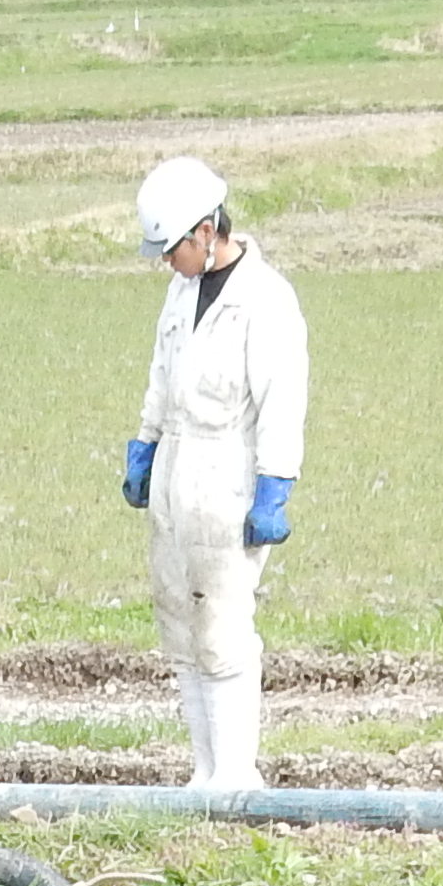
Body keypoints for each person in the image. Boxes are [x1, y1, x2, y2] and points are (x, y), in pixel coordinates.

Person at [124, 157, 310, 797]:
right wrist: (145, 444)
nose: (167, 261)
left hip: (226, 470)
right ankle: (203, 772)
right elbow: (161, 375)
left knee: (222, 627)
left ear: (207, 231)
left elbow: (282, 401)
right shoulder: (180, 292)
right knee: (178, 619)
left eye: (172, 248)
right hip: (176, 468)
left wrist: (275, 486)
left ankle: (236, 775)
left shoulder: (265, 299)